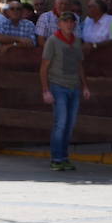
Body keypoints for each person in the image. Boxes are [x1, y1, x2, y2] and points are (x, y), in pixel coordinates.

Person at [40, 11, 91, 171]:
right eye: (65, 21)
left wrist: (85, 86)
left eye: (71, 21)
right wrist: (45, 90)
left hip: (74, 86)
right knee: (60, 123)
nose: (69, 24)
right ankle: (56, 158)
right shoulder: (52, 41)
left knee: (70, 124)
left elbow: (79, 65)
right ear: (59, 24)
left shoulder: (76, 42)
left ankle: (64, 157)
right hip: (58, 86)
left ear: (74, 24)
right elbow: (44, 67)